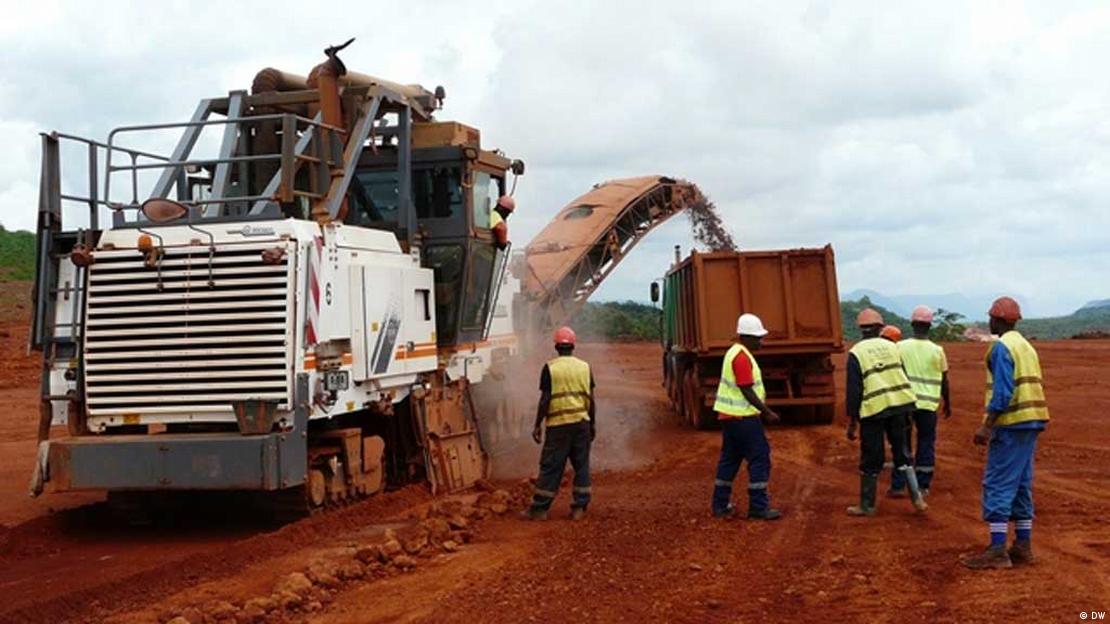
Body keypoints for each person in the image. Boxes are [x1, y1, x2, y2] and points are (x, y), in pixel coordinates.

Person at [961, 297, 1049, 569]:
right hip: (1032, 420)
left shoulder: (1001, 348)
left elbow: (1002, 392)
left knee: (998, 481)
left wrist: (987, 426)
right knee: (1022, 483)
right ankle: (1023, 545)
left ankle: (998, 549)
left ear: (997, 320)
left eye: (990, 318)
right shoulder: (1026, 346)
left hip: (1011, 423)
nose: (989, 322)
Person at [845, 308, 928, 516]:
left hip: (874, 410)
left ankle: (867, 506)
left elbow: (854, 390)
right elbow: (903, 375)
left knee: (872, 456)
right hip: (900, 405)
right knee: (902, 452)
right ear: (881, 328)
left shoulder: (856, 352)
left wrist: (852, 421)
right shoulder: (893, 347)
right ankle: (917, 499)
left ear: (860, 329)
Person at [710, 313, 782, 520]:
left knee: (729, 460)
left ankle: (720, 505)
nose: (761, 342)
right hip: (743, 418)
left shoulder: (734, 352)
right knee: (759, 458)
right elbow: (746, 389)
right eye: (758, 338)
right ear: (746, 337)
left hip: (729, 417)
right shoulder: (741, 357)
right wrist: (766, 412)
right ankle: (758, 507)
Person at [522, 326, 596, 521]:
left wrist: (537, 424)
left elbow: (545, 399)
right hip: (581, 424)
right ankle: (579, 507)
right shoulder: (584, 367)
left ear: (556, 346)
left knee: (551, 466)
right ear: (573, 345)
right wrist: (592, 425)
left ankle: (539, 509)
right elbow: (591, 399)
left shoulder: (550, 368)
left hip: (558, 426)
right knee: (581, 466)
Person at [888, 306, 950, 498]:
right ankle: (922, 486)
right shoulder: (938, 350)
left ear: (912, 324)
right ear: (929, 326)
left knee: (902, 443)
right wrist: (948, 402)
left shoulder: (899, 347)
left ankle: (898, 485)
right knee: (926, 442)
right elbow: (944, 379)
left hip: (904, 403)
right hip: (928, 405)